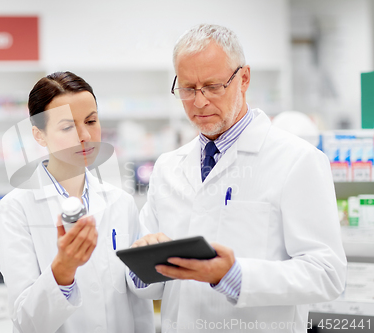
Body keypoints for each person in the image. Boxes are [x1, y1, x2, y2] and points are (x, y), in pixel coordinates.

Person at [128, 24, 347, 332]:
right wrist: (145, 263)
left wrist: (233, 275)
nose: (199, 102)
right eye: (188, 89)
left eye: (213, 86)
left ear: (243, 79)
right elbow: (148, 287)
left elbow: (327, 274)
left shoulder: (298, 160)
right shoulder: (167, 167)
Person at [0, 71, 154, 333]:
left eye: (91, 121)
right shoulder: (16, 209)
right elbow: (26, 322)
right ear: (39, 135)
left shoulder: (121, 202)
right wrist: (63, 270)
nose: (84, 136)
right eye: (67, 127)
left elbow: (139, 308)